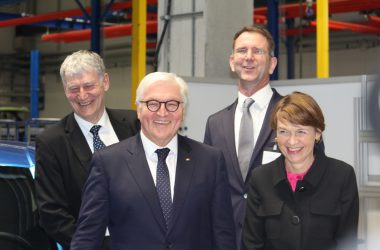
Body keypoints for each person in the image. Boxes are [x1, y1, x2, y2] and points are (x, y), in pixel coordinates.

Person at [70, 72, 237, 250]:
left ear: (183, 111)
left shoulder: (210, 160)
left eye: (172, 104)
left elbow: (223, 234)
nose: (162, 113)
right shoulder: (108, 163)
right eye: (152, 104)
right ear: (139, 109)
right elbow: (87, 237)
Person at [35, 50, 140, 250]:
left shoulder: (135, 125)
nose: (82, 95)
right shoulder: (51, 142)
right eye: (73, 88)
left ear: (105, 82)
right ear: (65, 90)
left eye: (89, 86)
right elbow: (51, 211)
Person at [243, 91, 359, 250]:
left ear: (317, 133)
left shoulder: (342, 176)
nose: (291, 141)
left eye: (301, 131)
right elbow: (252, 244)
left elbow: (347, 243)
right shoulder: (260, 178)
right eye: (283, 131)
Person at [204, 25, 282, 249]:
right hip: (227, 240)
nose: (248, 58)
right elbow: (208, 186)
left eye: (258, 51)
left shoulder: (293, 116)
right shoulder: (215, 123)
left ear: (272, 64)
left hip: (277, 239)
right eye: (242, 51)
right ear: (232, 61)